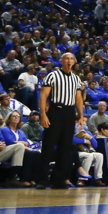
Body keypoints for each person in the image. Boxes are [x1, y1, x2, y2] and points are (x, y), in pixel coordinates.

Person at [36, 52, 84, 189]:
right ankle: (42, 180)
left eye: (71, 59)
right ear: (62, 61)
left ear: (74, 62)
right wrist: (43, 115)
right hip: (55, 111)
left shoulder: (76, 79)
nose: (69, 61)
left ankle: (59, 180)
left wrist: (80, 116)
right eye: (66, 58)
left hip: (69, 113)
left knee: (65, 148)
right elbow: (43, 96)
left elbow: (79, 99)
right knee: (48, 146)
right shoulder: (52, 75)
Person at [1, 112, 38, 186]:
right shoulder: (4, 129)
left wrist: (20, 143)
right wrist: (21, 143)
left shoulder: (20, 132)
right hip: (9, 151)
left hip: (21, 150)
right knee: (28, 154)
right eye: (14, 116)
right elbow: (9, 141)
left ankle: (33, 178)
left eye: (18, 116)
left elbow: (27, 143)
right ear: (9, 118)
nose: (16, 117)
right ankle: (24, 178)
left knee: (36, 154)